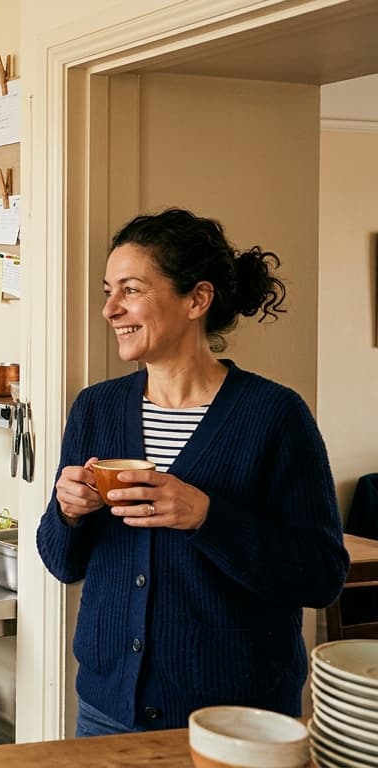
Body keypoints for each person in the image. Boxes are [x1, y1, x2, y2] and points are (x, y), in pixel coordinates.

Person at [37, 208, 349, 736]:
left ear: (197, 300)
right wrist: (67, 512)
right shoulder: (97, 408)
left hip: (239, 721)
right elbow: (62, 563)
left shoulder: (273, 415)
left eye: (130, 289)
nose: (110, 308)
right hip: (109, 710)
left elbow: (321, 575)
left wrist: (208, 516)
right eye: (108, 290)